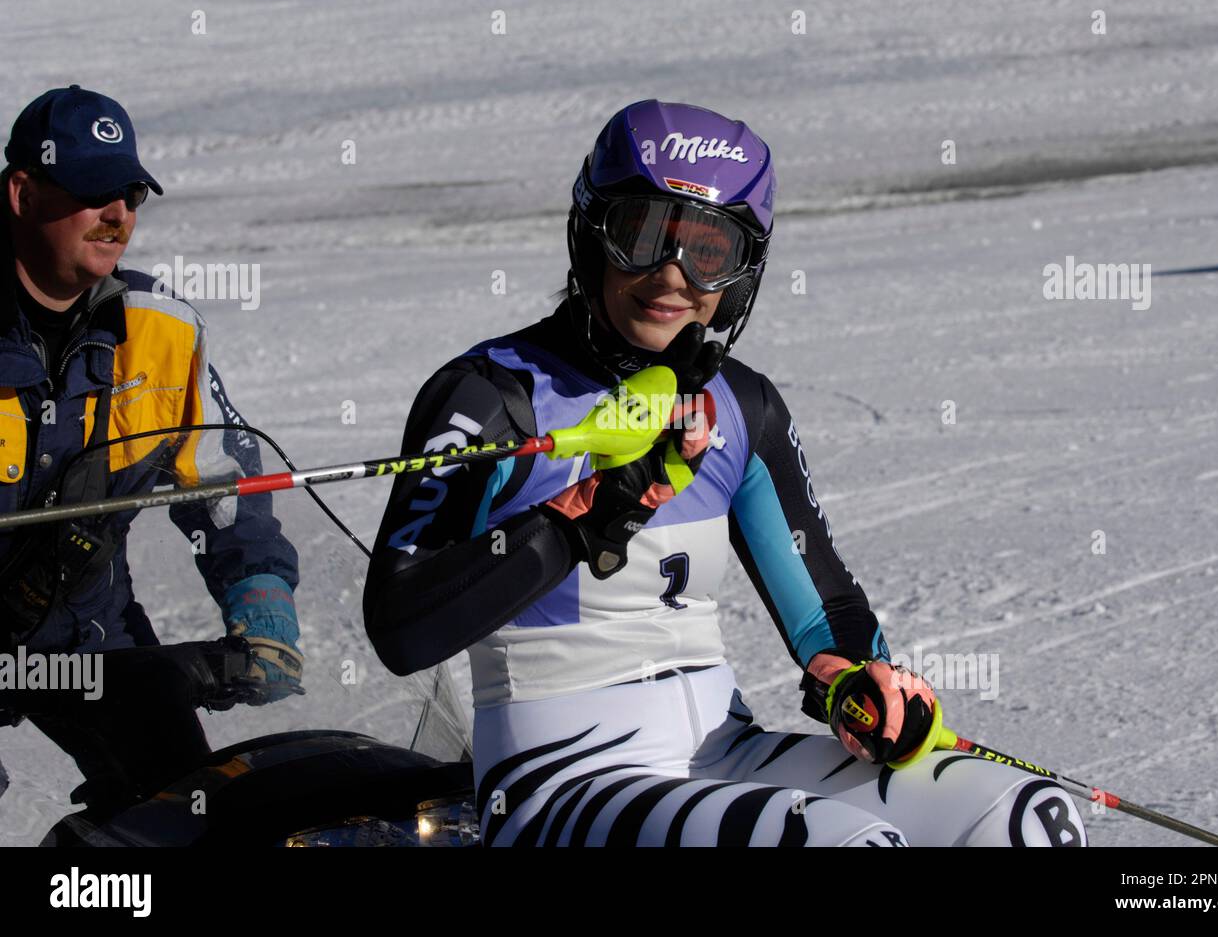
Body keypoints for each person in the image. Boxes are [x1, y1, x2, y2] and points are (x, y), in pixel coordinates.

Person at [363, 100, 1087, 847]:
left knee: (1028, 819)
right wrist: (577, 519)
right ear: (589, 234)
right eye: (640, 234)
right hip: (556, 784)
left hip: (721, 750)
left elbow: (823, 609)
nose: (671, 275)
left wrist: (858, 683)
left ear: (740, 278)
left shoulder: (740, 405)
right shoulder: (491, 395)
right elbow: (401, 627)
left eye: (708, 250)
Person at [0, 86, 302, 814]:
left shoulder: (161, 330)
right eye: (95, 191)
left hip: (89, 632)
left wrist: (258, 593)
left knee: (193, 812)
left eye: (132, 193)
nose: (120, 216)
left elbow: (222, 486)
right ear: (22, 192)